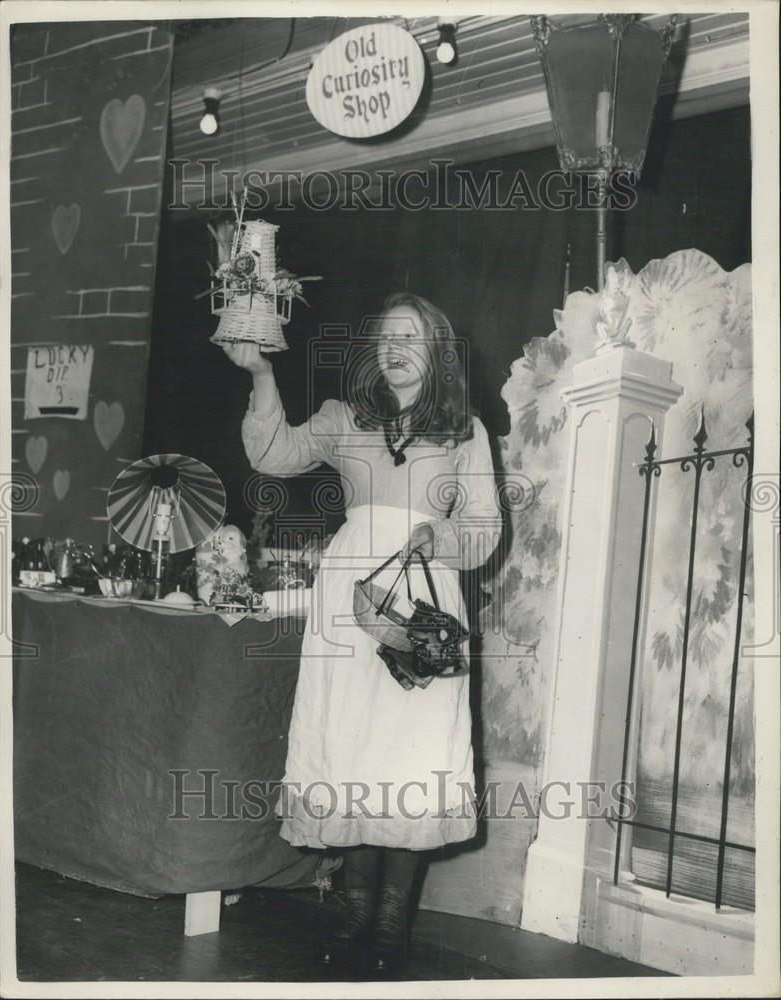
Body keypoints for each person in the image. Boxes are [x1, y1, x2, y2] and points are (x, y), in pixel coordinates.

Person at [224, 292, 502, 978]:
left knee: (406, 759)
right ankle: (352, 915)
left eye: (410, 337)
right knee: (351, 750)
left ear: (436, 352)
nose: (396, 348)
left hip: (426, 603)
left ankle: (390, 926)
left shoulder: (465, 430)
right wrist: (261, 375)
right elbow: (271, 454)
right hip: (352, 605)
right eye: (385, 338)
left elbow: (486, 530)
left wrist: (438, 534)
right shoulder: (344, 420)